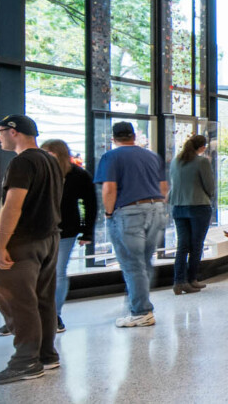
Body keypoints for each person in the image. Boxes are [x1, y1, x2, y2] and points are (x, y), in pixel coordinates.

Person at [0, 114, 63, 386]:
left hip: (24, 240)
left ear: (14, 131)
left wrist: (1, 245)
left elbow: (12, 205)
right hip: (48, 239)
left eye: (1, 130)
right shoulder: (49, 160)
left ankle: (25, 361)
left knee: (18, 301)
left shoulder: (22, 162)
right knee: (42, 299)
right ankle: (46, 355)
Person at [94, 120, 168, 329]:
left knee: (131, 264)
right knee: (144, 262)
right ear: (134, 136)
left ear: (113, 138)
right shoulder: (152, 156)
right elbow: (164, 187)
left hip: (129, 212)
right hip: (156, 210)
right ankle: (138, 303)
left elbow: (109, 189)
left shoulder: (111, 156)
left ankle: (141, 311)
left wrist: (109, 214)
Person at [41, 139, 96, 330]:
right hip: (40, 229)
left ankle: (54, 315)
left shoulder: (77, 174)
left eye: (49, 153)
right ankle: (40, 315)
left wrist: (87, 232)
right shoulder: (41, 172)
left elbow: (90, 204)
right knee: (43, 273)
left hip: (66, 230)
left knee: (58, 272)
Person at [167, 134, 215, 294]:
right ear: (202, 147)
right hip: (198, 205)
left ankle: (179, 281)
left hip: (178, 207)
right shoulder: (202, 161)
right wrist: (210, 195)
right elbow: (209, 185)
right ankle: (192, 279)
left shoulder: (176, 161)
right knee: (196, 245)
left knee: (182, 245)